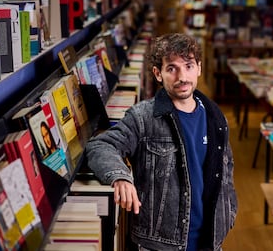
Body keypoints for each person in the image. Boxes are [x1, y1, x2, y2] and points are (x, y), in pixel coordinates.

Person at [85, 33, 237, 251]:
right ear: (158, 74)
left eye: (188, 66)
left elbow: (227, 168)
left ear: (199, 68)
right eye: (172, 68)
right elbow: (101, 145)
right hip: (160, 244)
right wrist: (120, 177)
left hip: (210, 242)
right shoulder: (143, 117)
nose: (182, 76)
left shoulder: (215, 117)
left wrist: (229, 212)